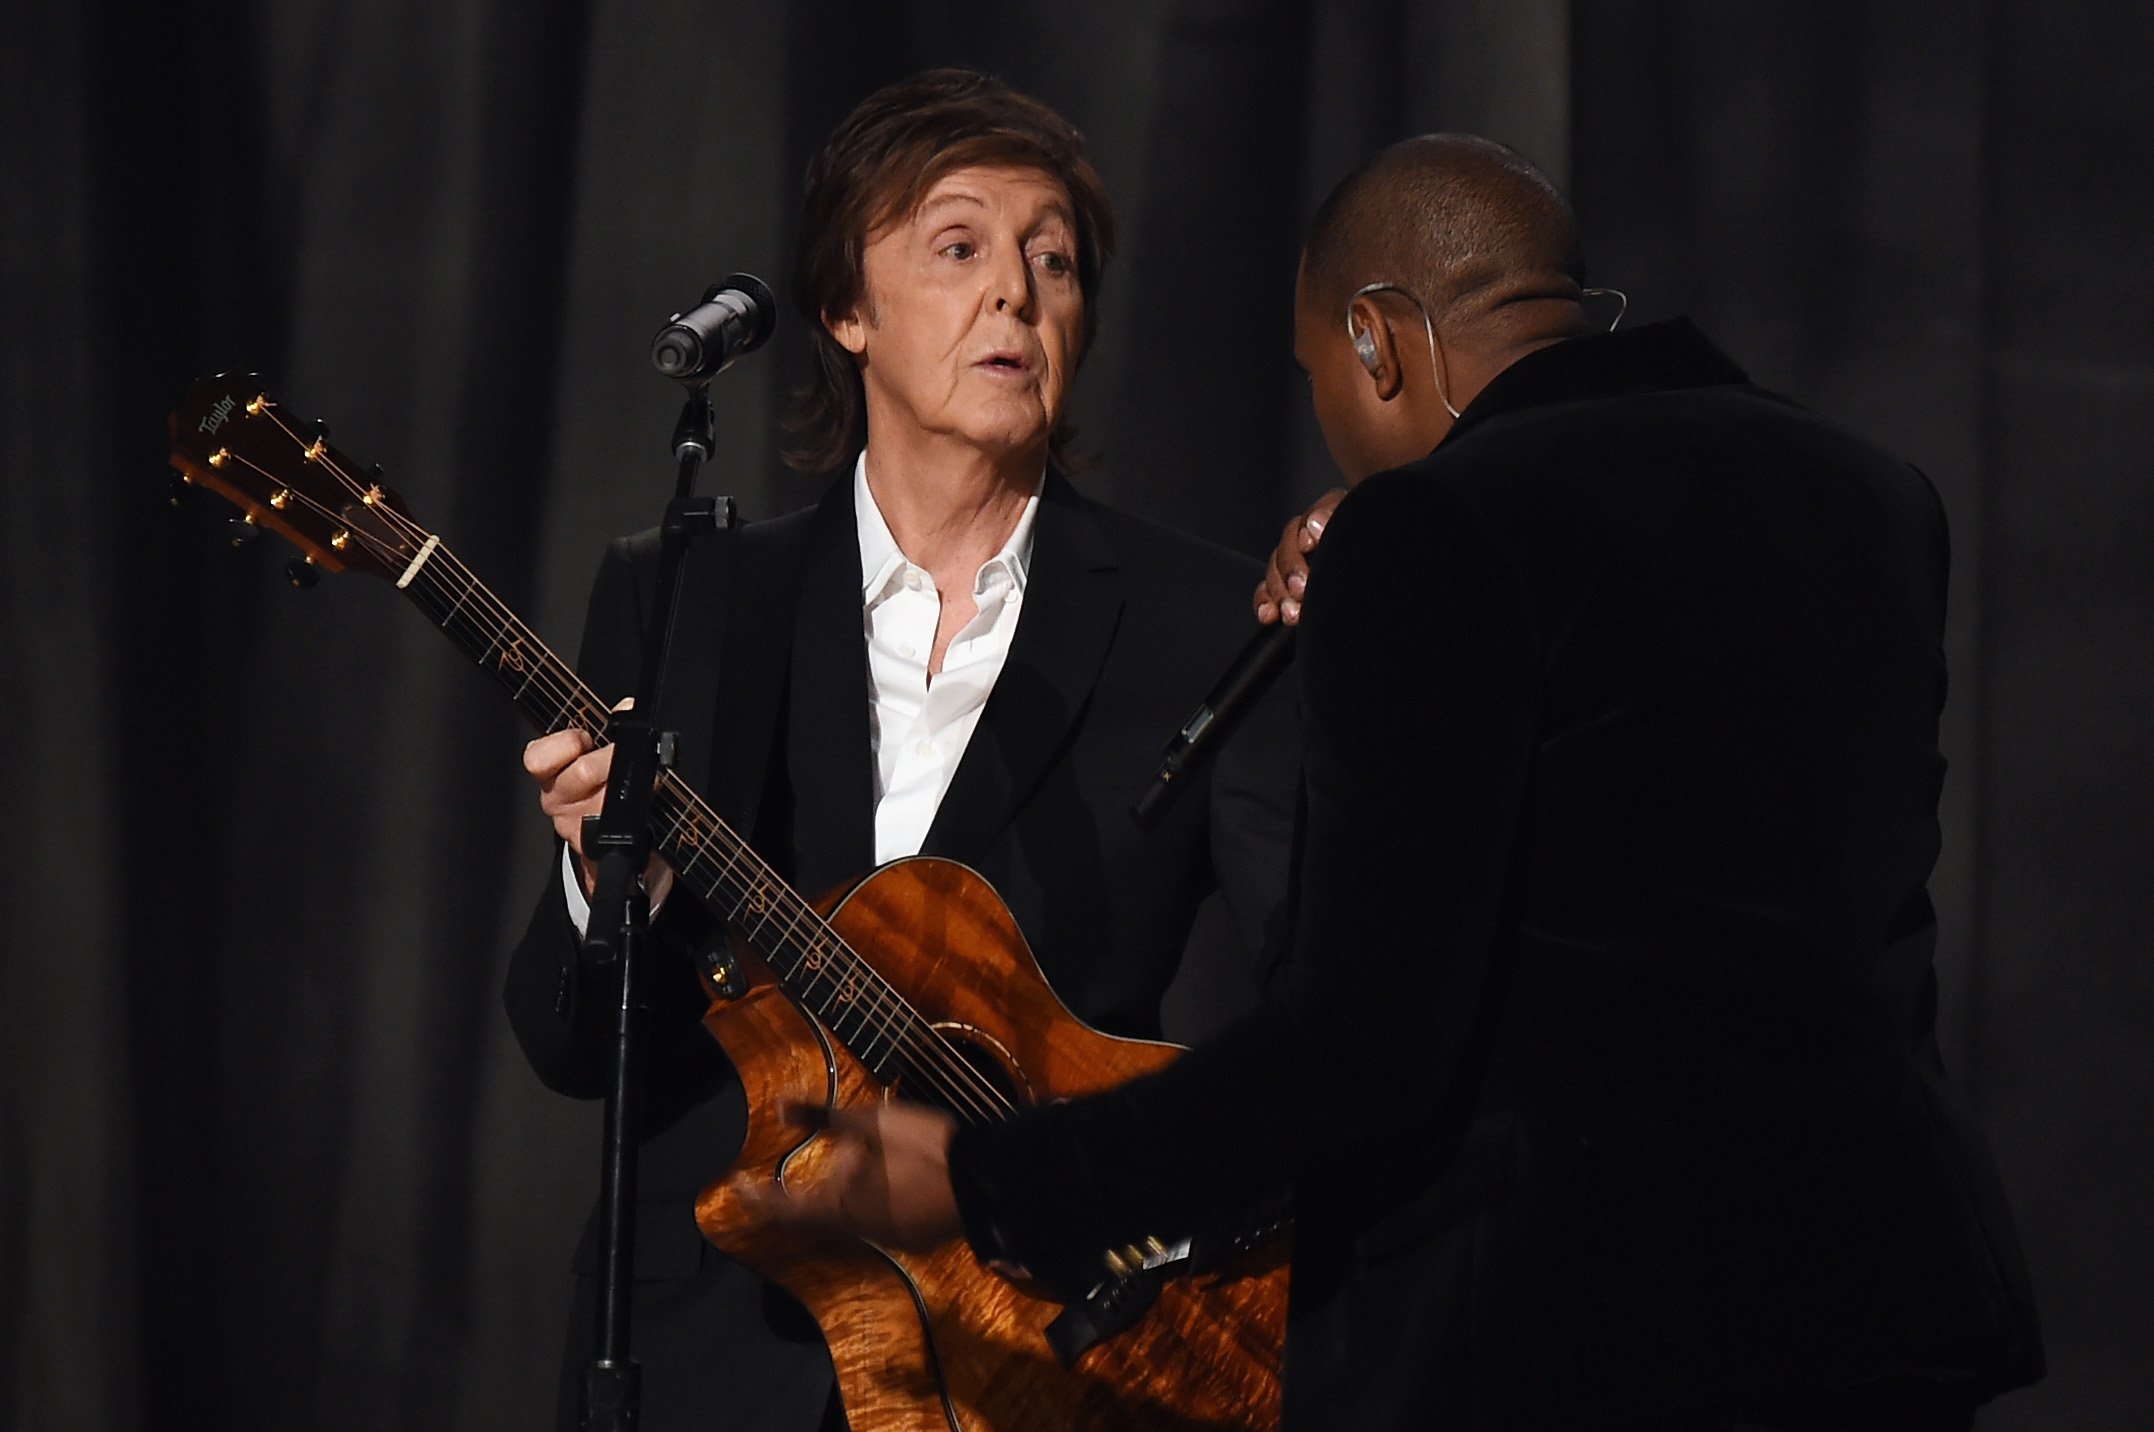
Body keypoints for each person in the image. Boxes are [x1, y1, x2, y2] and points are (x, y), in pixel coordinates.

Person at [757, 135, 2047, 1431]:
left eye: (1327, 381)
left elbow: (1363, 1046)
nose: (1340, 429)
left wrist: (991, 1182)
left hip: (1582, 1329)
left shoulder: (1434, 529)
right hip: (1886, 1292)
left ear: (1377, 344)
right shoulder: (1871, 495)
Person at [502, 70, 1298, 1432]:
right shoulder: (688, 596)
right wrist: (602, 888)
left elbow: (1323, 1008)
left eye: (1053, 258)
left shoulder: (1207, 624)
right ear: (845, 310)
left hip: (1046, 1355)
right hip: (717, 1359)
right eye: (957, 245)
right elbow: (570, 1045)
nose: (1016, 293)